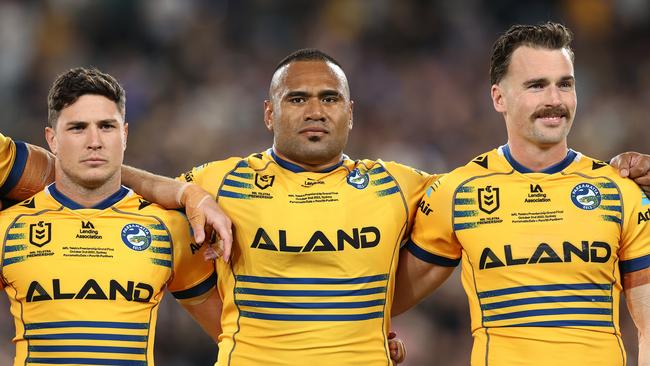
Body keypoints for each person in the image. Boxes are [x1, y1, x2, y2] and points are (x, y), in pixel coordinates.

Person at [170, 48, 650, 365]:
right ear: (270, 113)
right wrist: (186, 195)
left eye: (329, 98)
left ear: (350, 113)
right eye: (297, 99)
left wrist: (620, 172)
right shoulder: (219, 180)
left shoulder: (403, 186)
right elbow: (124, 195)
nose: (315, 110)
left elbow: (513, 188)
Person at [393, 22, 650, 365]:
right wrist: (372, 343)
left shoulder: (620, 191)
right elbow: (381, 301)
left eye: (565, 84)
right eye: (536, 86)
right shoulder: (459, 193)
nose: (554, 100)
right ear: (499, 97)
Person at [0, 67, 221, 365]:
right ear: (51, 139)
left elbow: (235, 336)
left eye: (106, 126)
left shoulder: (170, 229)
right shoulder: (8, 228)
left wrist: (187, 193)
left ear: (125, 134)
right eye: (77, 128)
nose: (95, 141)